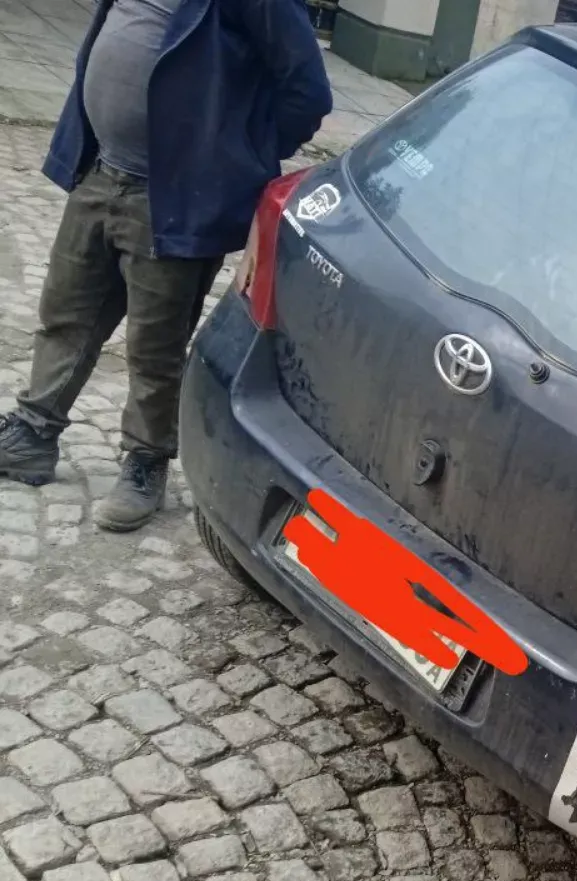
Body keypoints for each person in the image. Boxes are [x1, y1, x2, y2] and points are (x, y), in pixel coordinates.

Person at [0, 0, 334, 533]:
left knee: (154, 348)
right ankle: (33, 432)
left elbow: (308, 92)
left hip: (176, 200)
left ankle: (146, 461)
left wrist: (237, 154)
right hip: (100, 170)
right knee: (65, 315)